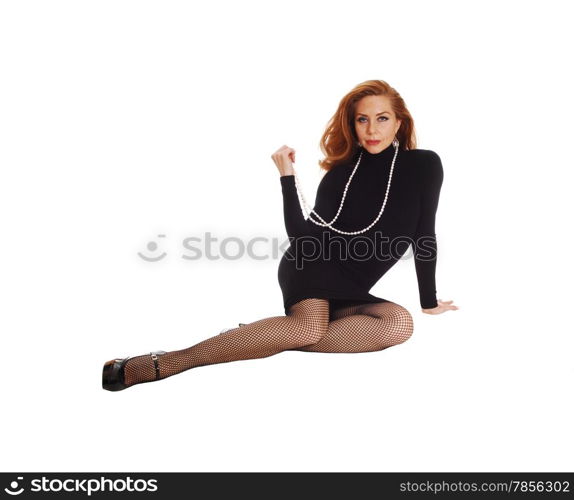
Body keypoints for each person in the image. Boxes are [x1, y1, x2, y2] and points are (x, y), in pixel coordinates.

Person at [102, 79, 458, 392]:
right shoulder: (341, 175)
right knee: (306, 329)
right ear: (353, 124)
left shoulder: (424, 165)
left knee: (398, 325)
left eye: (382, 118)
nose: (372, 129)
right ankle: (172, 361)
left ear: (399, 121)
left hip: (353, 283)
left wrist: (428, 300)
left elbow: (424, 233)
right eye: (362, 119)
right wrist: (287, 176)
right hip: (311, 265)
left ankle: (258, 336)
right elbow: (304, 237)